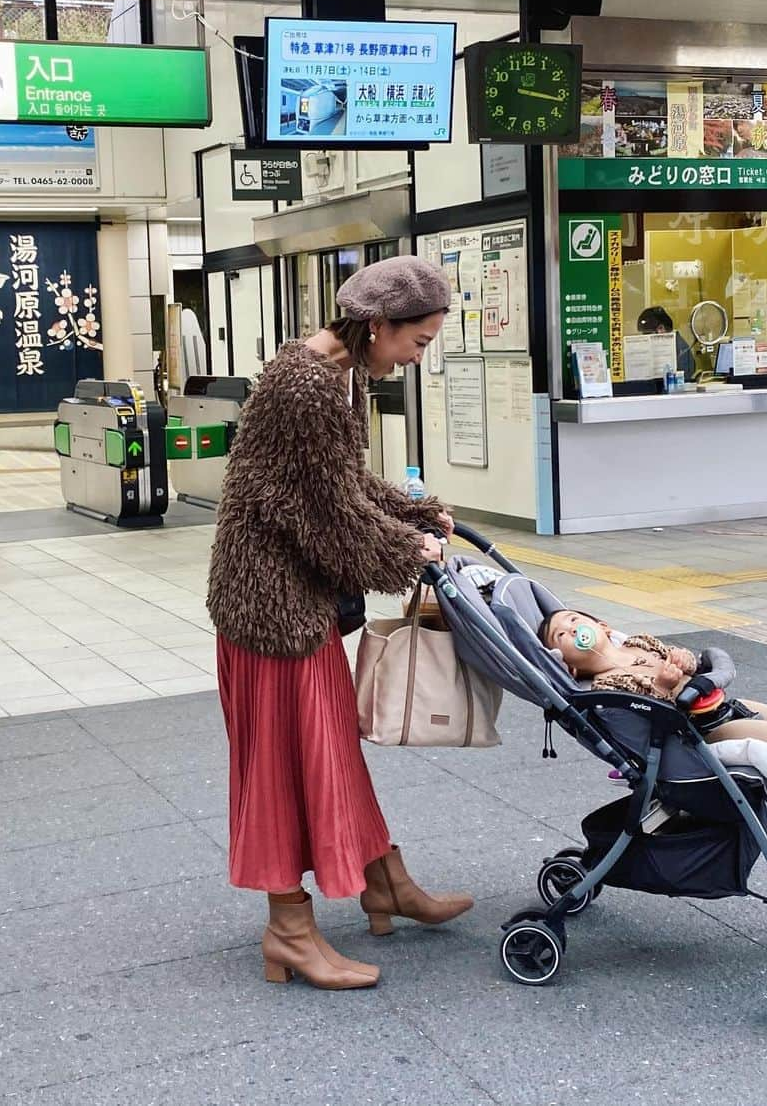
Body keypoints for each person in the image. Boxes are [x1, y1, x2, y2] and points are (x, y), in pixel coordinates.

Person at [207, 256, 473, 991]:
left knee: (328, 752)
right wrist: (406, 547)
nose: (418, 356)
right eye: (417, 342)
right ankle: (288, 929)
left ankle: (385, 881)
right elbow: (321, 514)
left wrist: (417, 513)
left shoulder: (327, 370)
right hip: (273, 608)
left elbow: (341, 483)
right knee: (286, 766)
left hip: (291, 600)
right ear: (378, 325)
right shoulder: (308, 386)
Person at [538, 608, 767, 829]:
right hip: (693, 731)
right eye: (560, 635)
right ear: (572, 669)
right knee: (765, 731)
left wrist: (684, 661)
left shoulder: (639, 644)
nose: (572, 630)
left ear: (604, 627)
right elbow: (645, 714)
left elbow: (681, 657)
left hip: (711, 703)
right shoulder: (607, 686)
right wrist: (663, 686)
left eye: (574, 620)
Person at [637, 305, 695, 382]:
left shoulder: (678, 346)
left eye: (660, 328)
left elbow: (686, 375)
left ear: (663, 328)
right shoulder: (676, 343)